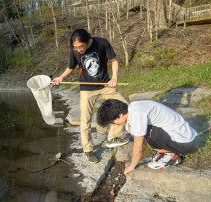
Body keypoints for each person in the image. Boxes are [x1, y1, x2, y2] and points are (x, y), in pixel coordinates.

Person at [52, 28, 129, 164]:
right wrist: (61, 77)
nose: (79, 50)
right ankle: (88, 150)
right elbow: (71, 67)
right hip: (87, 89)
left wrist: (114, 78)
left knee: (125, 109)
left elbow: (114, 60)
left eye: (81, 46)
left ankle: (112, 138)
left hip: (106, 86)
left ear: (88, 41)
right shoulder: (74, 51)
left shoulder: (101, 43)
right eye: (75, 47)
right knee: (85, 121)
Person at [97, 99, 198, 175]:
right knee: (136, 130)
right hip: (183, 137)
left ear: (120, 115)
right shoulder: (133, 107)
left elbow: (138, 146)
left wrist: (132, 166)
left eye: (112, 121)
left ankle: (171, 155)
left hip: (185, 143)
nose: (113, 124)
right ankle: (164, 151)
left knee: (145, 133)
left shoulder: (137, 115)